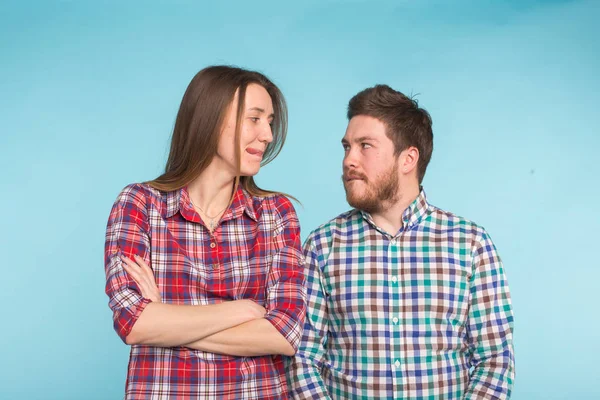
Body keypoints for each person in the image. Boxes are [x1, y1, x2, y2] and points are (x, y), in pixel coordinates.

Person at [288, 85, 515, 399]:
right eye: (346, 147)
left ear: (408, 159)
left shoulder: (471, 244)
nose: (349, 160)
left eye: (365, 145)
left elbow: (494, 360)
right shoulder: (322, 245)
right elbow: (303, 357)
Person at [104, 65, 306, 399]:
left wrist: (166, 320)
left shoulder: (277, 213)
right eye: (254, 119)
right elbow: (133, 323)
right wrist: (242, 309)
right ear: (211, 119)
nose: (268, 135)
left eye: (269, 122)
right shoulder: (139, 204)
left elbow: (285, 333)